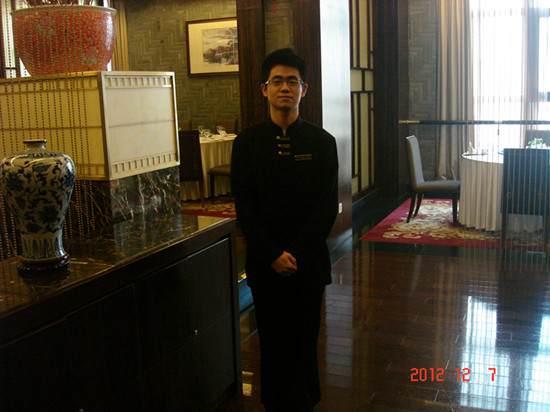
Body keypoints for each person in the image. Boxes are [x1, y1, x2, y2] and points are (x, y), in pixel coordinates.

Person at [231, 48, 339, 412]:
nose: (285, 88)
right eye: (277, 81)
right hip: (265, 265)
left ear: (304, 89)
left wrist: (295, 255)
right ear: (264, 89)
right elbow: (246, 209)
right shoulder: (246, 144)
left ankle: (306, 403)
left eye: (293, 81)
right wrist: (273, 255)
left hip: (308, 264)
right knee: (273, 341)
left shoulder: (322, 143)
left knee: (305, 340)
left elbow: (325, 209)